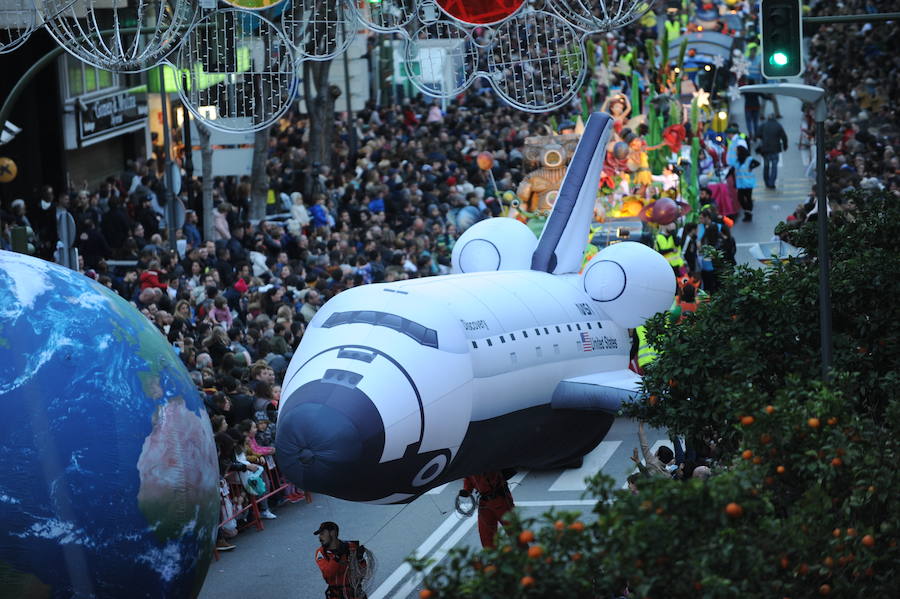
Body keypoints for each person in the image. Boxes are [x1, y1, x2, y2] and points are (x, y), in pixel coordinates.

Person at [458, 471, 515, 549]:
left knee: (514, 532)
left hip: (501, 499)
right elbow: (469, 477)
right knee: (486, 536)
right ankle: (492, 558)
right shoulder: (469, 464)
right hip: (484, 503)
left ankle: (525, 556)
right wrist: (467, 490)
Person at [314, 522, 368, 599]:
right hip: (337, 596)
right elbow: (328, 573)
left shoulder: (351, 547)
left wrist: (360, 559)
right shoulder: (321, 553)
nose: (320, 538)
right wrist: (338, 556)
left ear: (332, 533)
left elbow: (362, 573)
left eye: (322, 534)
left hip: (355, 594)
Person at [728, 145, 760, 222]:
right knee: (740, 198)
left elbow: (757, 163)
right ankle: (747, 210)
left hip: (748, 183)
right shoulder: (737, 160)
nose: (736, 153)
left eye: (737, 151)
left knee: (748, 198)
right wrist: (726, 176)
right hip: (741, 184)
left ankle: (748, 214)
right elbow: (732, 169)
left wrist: (751, 167)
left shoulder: (749, 159)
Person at [758, 114, 788, 189]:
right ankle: (772, 183)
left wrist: (763, 138)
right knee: (774, 167)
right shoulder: (778, 125)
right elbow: (784, 137)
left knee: (766, 166)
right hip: (775, 149)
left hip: (765, 150)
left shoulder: (763, 125)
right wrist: (785, 146)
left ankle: (766, 182)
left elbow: (757, 134)